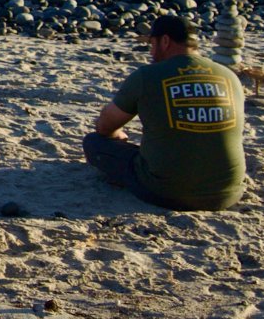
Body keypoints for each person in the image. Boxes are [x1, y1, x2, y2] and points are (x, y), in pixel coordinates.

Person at [86, 14, 246, 210]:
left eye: (152, 44)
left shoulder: (147, 76)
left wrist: (115, 134)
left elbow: (104, 127)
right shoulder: (229, 76)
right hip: (228, 193)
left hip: (165, 192)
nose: (151, 52)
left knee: (94, 142)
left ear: (165, 41)